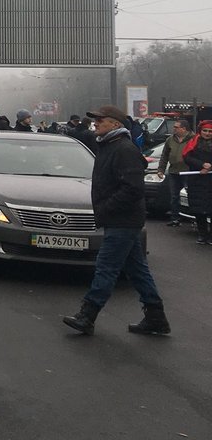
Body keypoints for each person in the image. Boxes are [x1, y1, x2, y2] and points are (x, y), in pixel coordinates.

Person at [63, 105, 170, 337]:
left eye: (101, 120)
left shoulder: (123, 149)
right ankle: (156, 317)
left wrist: (105, 209)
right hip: (121, 219)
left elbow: (133, 188)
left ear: (116, 124)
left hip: (123, 220)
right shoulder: (108, 146)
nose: (96, 124)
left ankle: (87, 315)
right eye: (95, 120)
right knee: (137, 270)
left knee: (106, 267)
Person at [156, 119, 192, 227]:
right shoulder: (170, 140)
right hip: (174, 171)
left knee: (190, 195)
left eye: (176, 127)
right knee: (174, 196)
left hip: (188, 172)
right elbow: (164, 155)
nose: (174, 129)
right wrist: (161, 169)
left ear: (184, 129)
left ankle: (193, 217)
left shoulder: (194, 139)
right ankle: (175, 218)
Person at [181, 120, 212, 244]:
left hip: (210, 180)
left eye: (210, 131)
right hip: (197, 180)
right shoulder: (193, 142)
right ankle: (202, 234)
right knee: (199, 210)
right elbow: (187, 157)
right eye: (205, 131)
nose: (207, 133)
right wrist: (201, 166)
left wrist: (209, 167)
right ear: (201, 131)